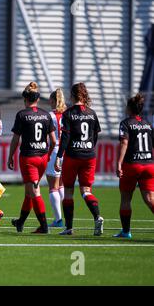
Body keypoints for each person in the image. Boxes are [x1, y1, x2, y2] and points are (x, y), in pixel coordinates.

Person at [54, 82, 104, 236]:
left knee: (68, 192)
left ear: (72, 95)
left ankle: (69, 228)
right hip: (89, 156)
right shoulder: (92, 113)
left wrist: (59, 156)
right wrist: (88, 147)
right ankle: (97, 216)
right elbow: (95, 135)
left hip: (73, 156)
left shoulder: (68, 114)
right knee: (86, 191)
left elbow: (65, 137)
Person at [8, 82, 56, 234]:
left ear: (25, 99)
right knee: (29, 191)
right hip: (42, 158)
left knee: (34, 192)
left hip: (29, 159)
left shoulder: (22, 115)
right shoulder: (46, 115)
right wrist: (48, 155)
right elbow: (54, 141)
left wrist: (10, 156)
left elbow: (16, 139)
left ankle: (44, 226)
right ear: (37, 99)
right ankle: (20, 222)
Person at [115, 93, 154, 239]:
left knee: (126, 199)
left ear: (129, 108)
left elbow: (124, 143)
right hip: (149, 165)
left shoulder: (125, 123)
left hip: (132, 165)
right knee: (150, 199)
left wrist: (119, 163)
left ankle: (126, 232)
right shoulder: (148, 124)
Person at [46, 88, 67, 227]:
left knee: (53, 186)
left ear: (53, 100)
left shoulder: (50, 115)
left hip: (54, 150)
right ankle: (65, 216)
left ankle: (58, 219)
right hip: (66, 151)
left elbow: (50, 138)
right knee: (61, 185)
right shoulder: (67, 114)